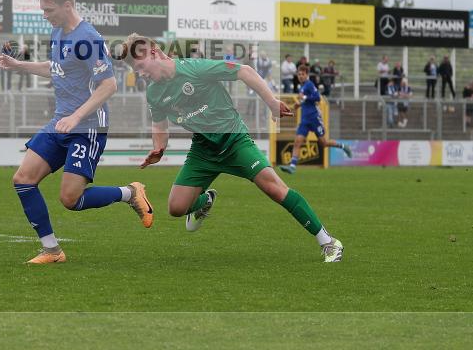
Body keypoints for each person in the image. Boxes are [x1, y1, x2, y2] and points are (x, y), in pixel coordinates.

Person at [120, 34, 345, 264]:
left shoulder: (196, 68)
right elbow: (159, 126)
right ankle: (205, 201)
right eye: (136, 70)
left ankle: (328, 242)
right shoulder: (154, 93)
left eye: (140, 67)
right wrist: (158, 148)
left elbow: (244, 71)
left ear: (154, 53)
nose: (140, 74)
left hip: (234, 141)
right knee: (176, 208)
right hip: (203, 150)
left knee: (275, 189)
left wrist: (272, 103)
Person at [0, 0, 152, 265]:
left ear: (67, 5)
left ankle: (130, 193)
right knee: (23, 180)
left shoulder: (88, 38)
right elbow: (56, 68)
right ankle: (52, 251)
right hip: (61, 123)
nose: (45, 15)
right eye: (43, 10)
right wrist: (19, 66)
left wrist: (76, 116)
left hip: (88, 128)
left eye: (48, 10)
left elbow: (109, 85)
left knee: (71, 200)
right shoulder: (58, 32)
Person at [281, 65, 353, 173]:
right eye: (299, 74)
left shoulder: (309, 84)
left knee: (324, 143)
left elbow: (318, 98)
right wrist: (299, 104)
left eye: (302, 74)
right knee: (297, 141)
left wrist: (304, 97)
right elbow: (306, 101)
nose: (300, 76)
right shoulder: (302, 87)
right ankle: (292, 166)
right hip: (305, 120)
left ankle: (343, 146)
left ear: (307, 75)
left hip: (314, 118)